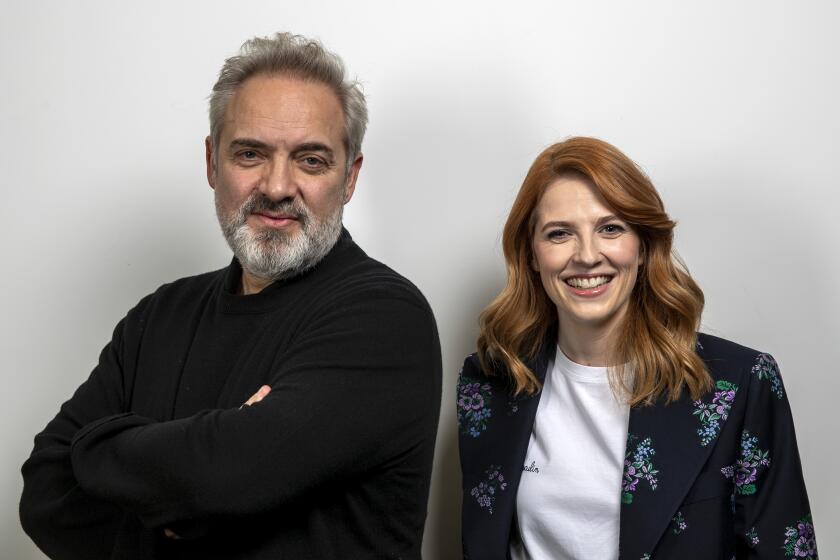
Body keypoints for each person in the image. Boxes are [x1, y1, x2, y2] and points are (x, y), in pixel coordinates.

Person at [20, 32, 442, 560]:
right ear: (211, 162)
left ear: (351, 177)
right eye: (250, 153)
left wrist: (98, 446)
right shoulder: (159, 317)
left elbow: (224, 478)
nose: (277, 186)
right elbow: (44, 491)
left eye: (311, 160)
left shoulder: (385, 318)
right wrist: (196, 482)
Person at [458, 137, 816, 559]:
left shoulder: (739, 384)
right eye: (559, 234)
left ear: (643, 246)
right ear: (532, 255)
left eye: (610, 229)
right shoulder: (490, 384)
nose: (587, 256)